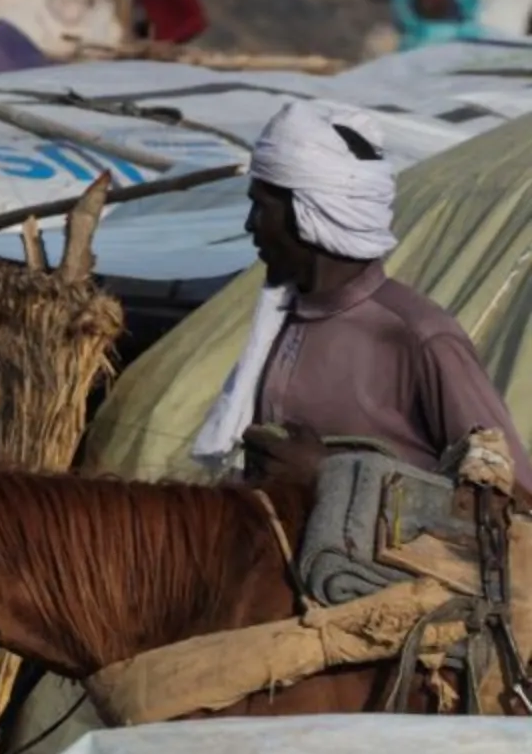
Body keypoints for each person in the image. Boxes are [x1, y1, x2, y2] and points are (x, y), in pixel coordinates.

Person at [193, 101, 526, 490]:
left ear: (310, 215)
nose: (250, 225)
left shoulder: (419, 337)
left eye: (261, 207)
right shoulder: (282, 322)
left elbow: (511, 497)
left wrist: (331, 478)